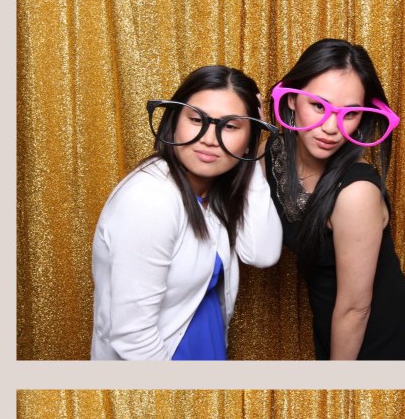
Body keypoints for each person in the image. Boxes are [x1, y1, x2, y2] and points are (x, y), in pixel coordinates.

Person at [91, 65, 281, 360]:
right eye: (196, 120)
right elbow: (132, 336)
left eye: (230, 127)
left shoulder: (214, 192)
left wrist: (251, 158)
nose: (209, 138)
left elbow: (262, 253)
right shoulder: (150, 199)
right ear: (174, 122)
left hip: (206, 347)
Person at [265, 39, 405, 360]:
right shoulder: (273, 155)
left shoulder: (356, 192)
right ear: (290, 100)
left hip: (381, 338)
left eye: (350, 113)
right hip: (332, 326)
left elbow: (355, 309)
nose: (332, 127)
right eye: (318, 106)